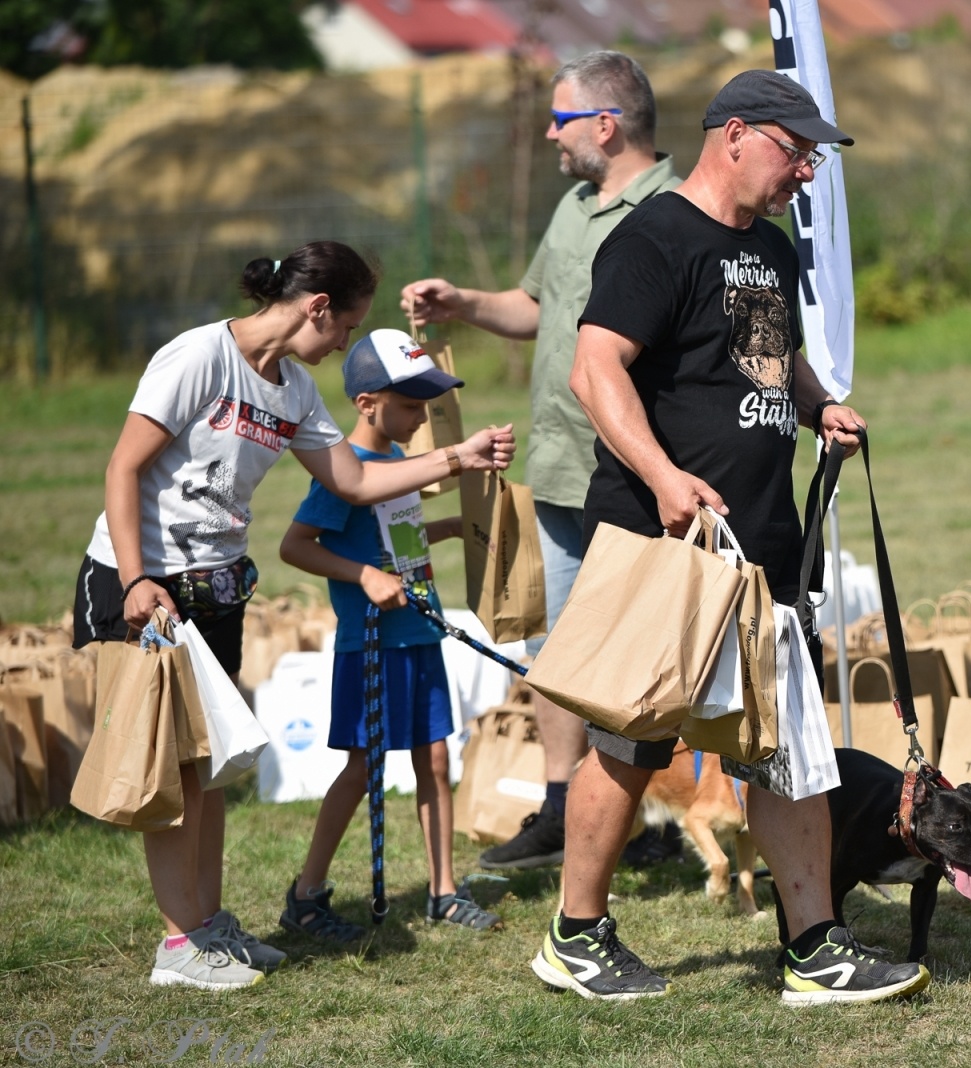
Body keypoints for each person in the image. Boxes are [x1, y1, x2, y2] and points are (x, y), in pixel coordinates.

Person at [533, 69, 929, 1006]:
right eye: (798, 154)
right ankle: (574, 934)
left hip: (760, 544)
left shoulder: (774, 250)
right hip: (662, 538)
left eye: (814, 160)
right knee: (631, 747)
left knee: (785, 744)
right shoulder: (656, 237)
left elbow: (767, 355)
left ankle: (814, 948)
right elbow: (598, 370)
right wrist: (666, 479)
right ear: (738, 133)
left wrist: (817, 406)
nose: (806, 175)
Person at [73, 243, 515, 991]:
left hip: (215, 589)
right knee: (173, 772)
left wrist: (456, 459)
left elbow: (349, 479)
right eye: (345, 326)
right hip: (145, 584)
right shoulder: (197, 357)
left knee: (210, 767)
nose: (345, 342)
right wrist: (137, 578)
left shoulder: (297, 389)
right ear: (317, 308)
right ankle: (180, 944)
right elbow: (124, 466)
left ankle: (209, 926)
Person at [399, 51, 679, 872]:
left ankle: (659, 811)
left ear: (606, 124)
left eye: (560, 120)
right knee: (556, 648)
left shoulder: (673, 211)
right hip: (558, 466)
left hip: (633, 471)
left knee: (647, 647)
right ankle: (564, 807)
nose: (549, 134)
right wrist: (466, 305)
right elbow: (536, 305)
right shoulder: (573, 205)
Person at [277, 329, 502, 942]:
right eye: (410, 406)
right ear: (367, 403)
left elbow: (393, 533)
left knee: (435, 759)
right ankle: (306, 895)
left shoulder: (400, 464)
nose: (421, 416)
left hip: (419, 634)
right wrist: (362, 576)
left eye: (425, 405)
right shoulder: (341, 472)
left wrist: (447, 527)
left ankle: (444, 892)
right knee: (360, 770)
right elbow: (295, 546)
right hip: (370, 645)